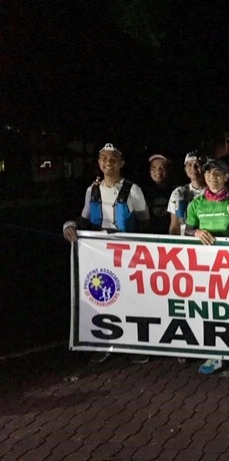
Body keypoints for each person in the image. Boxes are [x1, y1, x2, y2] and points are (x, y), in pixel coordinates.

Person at [62, 142, 150, 364]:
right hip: (99, 254)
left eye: (113, 159)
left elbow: (144, 221)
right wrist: (70, 225)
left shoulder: (133, 190)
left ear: (121, 163)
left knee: (131, 298)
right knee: (104, 297)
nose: (108, 163)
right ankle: (105, 343)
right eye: (103, 158)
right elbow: (84, 218)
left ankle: (135, 344)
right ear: (99, 162)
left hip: (127, 253)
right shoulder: (92, 190)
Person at [184, 158, 229, 376]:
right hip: (207, 267)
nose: (212, 177)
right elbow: (187, 230)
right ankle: (215, 355)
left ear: (226, 177)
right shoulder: (196, 204)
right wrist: (196, 232)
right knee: (212, 310)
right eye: (208, 173)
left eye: (217, 173)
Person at [168, 150, 207, 235]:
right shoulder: (178, 192)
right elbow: (174, 227)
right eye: (189, 164)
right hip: (185, 240)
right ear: (185, 169)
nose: (193, 168)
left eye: (198, 164)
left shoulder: (212, 192)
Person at [143, 154, 174, 234]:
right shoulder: (143, 191)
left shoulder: (176, 191)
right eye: (154, 167)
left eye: (162, 167)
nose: (157, 171)